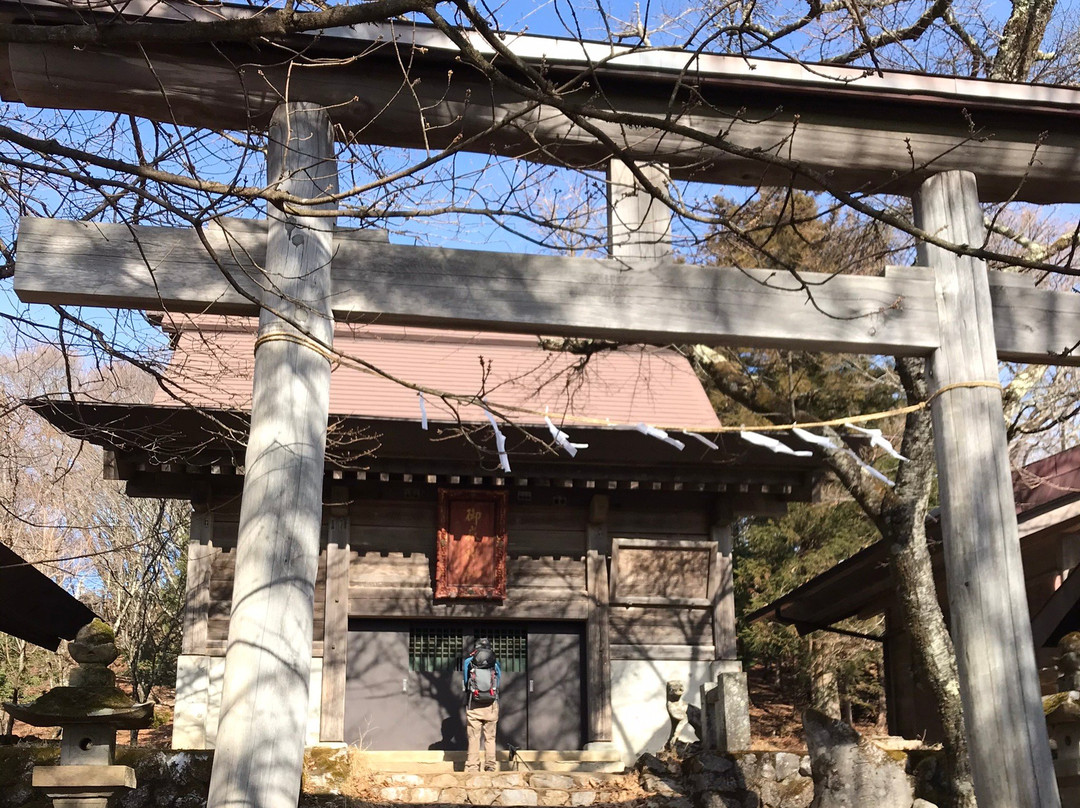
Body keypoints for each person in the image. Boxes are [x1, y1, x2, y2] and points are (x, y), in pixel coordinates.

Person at [462, 637, 501, 772]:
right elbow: (498, 682)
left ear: (476, 648)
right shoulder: (495, 663)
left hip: (474, 703)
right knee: (490, 737)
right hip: (491, 704)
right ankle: (490, 765)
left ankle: (472, 766)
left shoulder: (468, 662)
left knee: (474, 737)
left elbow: (466, 681)